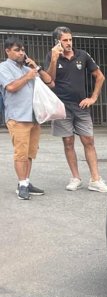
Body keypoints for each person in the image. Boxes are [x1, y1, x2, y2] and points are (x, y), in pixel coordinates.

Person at [45, 26, 107, 193]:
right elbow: (50, 80)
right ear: (57, 41)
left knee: (88, 141)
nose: (68, 43)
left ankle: (95, 179)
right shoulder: (51, 56)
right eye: (65, 40)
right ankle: (75, 177)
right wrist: (54, 59)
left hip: (81, 106)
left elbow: (100, 76)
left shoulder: (82, 55)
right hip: (61, 107)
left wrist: (93, 98)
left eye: (70, 39)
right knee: (68, 142)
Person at [0, 37, 51, 200]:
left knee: (30, 153)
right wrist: (28, 76)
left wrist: (35, 67)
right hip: (18, 117)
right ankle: (22, 185)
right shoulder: (3, 67)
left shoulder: (28, 68)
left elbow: (50, 83)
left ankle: (26, 181)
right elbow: (12, 87)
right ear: (7, 51)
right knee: (20, 153)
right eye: (17, 50)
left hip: (33, 117)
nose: (21, 52)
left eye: (22, 50)